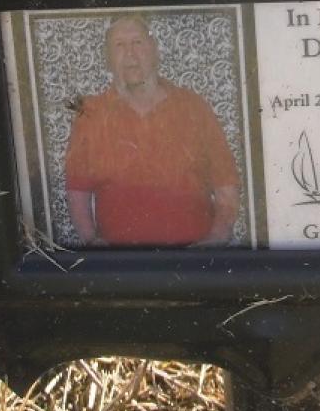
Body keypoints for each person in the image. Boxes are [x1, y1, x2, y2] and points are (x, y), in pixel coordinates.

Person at [64, 15, 240, 247]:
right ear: (108, 59)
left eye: (137, 42)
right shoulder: (91, 113)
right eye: (119, 45)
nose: (130, 54)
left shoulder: (194, 107)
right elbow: (77, 193)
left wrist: (214, 241)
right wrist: (93, 241)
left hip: (192, 259)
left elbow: (226, 188)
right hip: (123, 264)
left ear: (154, 50)